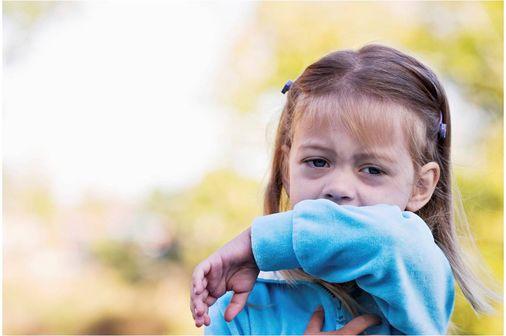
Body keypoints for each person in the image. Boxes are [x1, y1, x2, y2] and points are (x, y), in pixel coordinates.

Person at [189, 44, 499, 335]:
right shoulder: (242, 304)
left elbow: (386, 238)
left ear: (420, 187)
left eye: (372, 169)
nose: (338, 188)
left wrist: (258, 244)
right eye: (318, 161)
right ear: (286, 166)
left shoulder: (413, 268)